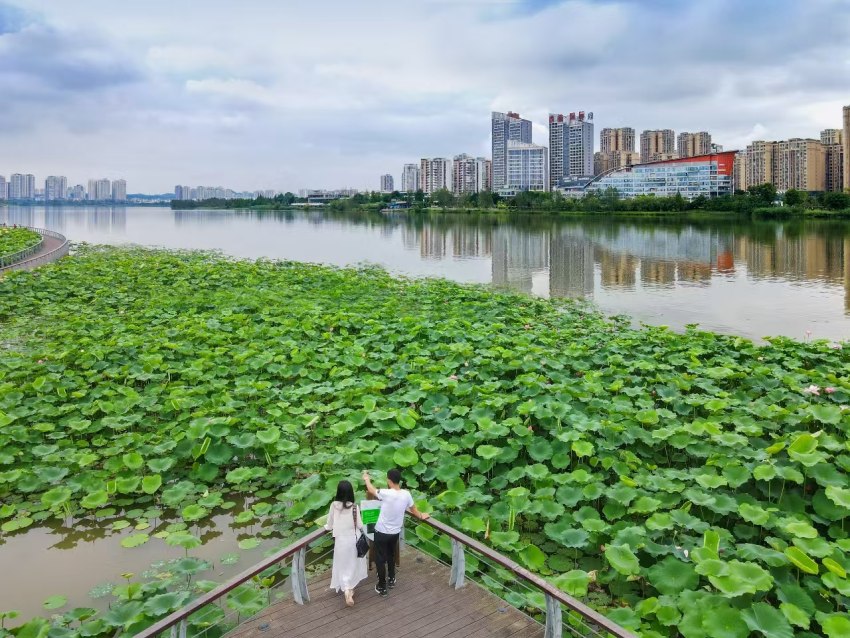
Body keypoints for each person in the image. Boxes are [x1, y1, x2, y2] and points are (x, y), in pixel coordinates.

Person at [362, 468, 430, 597]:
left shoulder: (386, 493)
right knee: (391, 555)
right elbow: (414, 511)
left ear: (389, 480)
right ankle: (392, 579)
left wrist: (366, 479)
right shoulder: (406, 494)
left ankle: (382, 586)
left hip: (381, 531)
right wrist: (422, 516)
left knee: (380, 559)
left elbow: (371, 490)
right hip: (395, 533)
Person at [324, 480, 368, 607]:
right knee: (353, 564)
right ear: (350, 493)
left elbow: (329, 525)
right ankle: (350, 588)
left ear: (338, 491)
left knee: (342, 565)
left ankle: (346, 589)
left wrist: (326, 526)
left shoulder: (333, 505)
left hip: (341, 541)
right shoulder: (354, 507)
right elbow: (360, 525)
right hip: (353, 540)